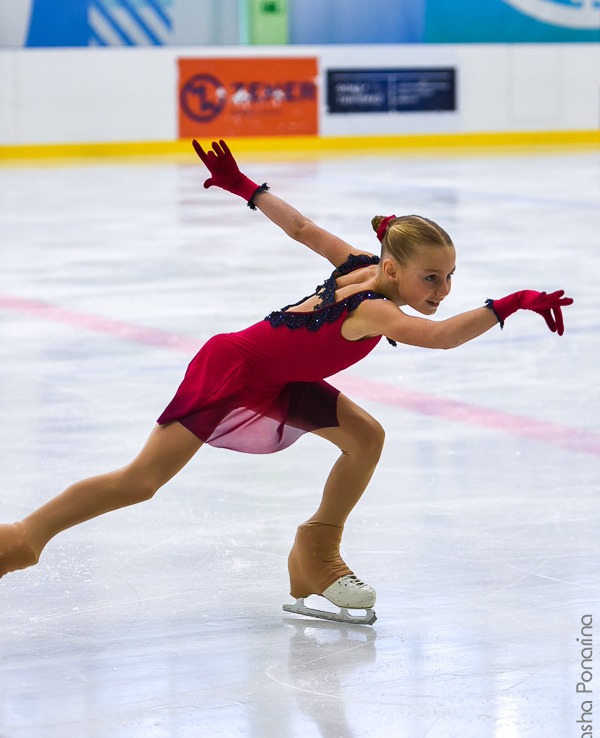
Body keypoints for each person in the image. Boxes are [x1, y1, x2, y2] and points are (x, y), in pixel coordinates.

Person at [0, 140, 573, 624]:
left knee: (365, 437)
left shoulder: (359, 264)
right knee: (142, 481)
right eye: (431, 277)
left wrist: (245, 186)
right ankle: (23, 537)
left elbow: (300, 228)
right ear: (393, 269)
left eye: (450, 277)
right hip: (233, 369)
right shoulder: (376, 307)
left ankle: (316, 553)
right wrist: (510, 304)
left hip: (280, 378)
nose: (442, 290)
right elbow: (441, 336)